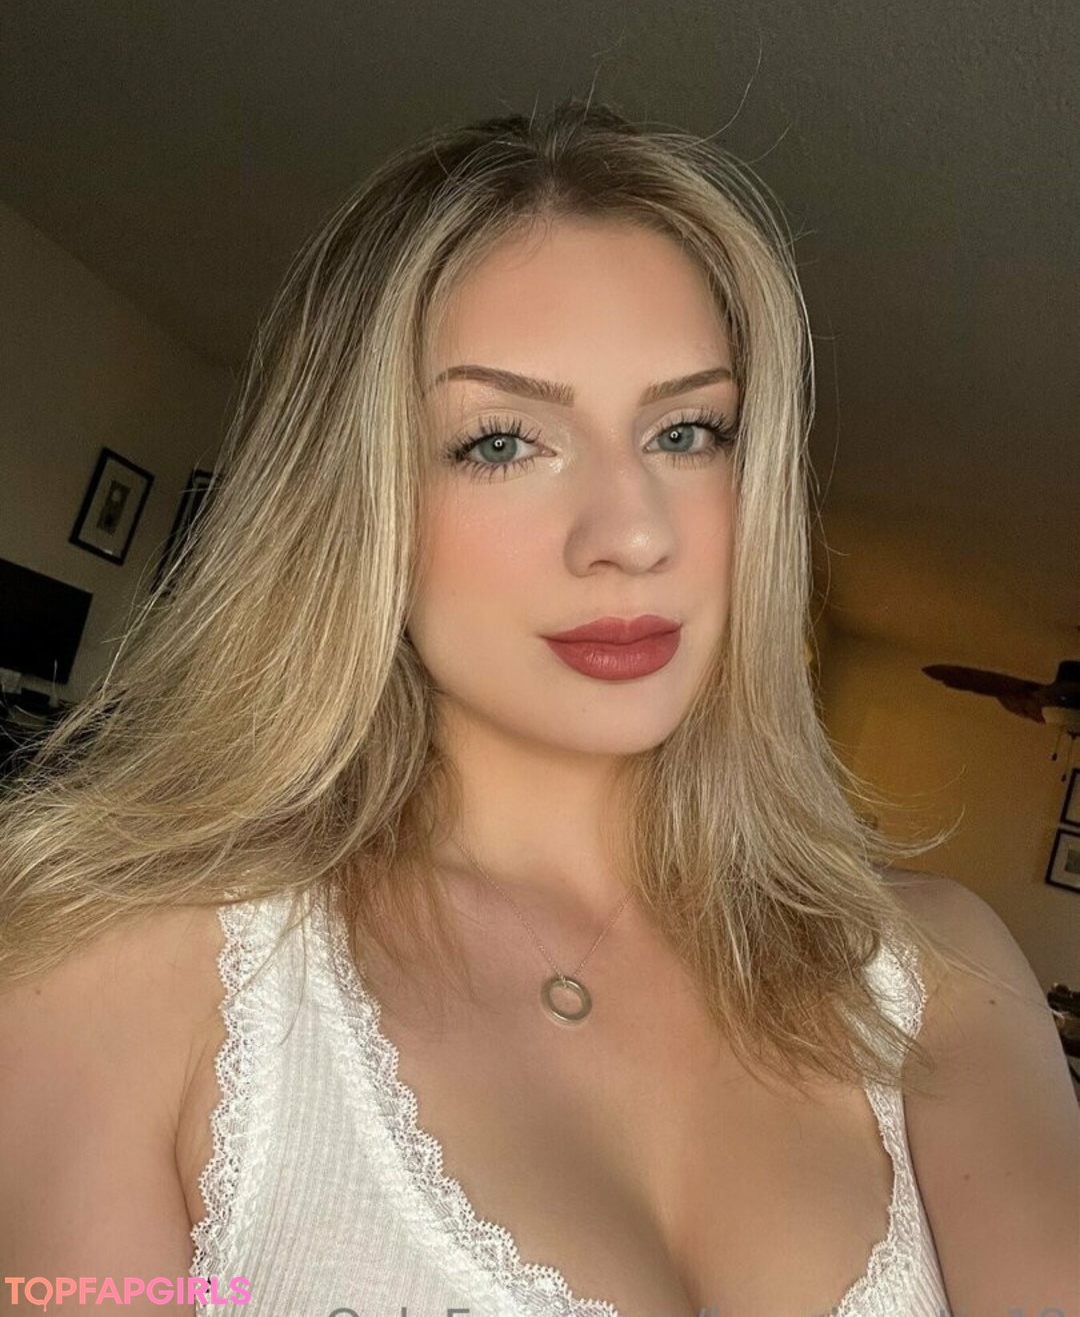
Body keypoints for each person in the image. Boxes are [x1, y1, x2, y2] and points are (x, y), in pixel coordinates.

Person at [0, 98, 1076, 1317]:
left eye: (688, 430)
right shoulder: (122, 971)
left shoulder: (942, 976)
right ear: (356, 498)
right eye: (504, 442)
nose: (632, 532)